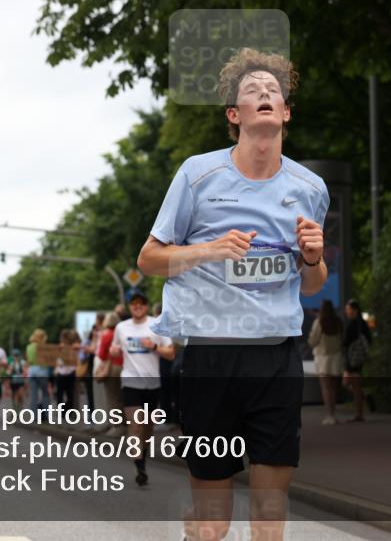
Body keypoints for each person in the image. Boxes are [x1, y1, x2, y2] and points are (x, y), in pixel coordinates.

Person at [137, 48, 329, 541]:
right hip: (211, 359)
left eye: (273, 91)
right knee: (213, 525)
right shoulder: (199, 176)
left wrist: (312, 258)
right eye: (252, 91)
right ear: (234, 114)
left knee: (268, 517)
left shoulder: (310, 189)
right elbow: (150, 258)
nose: (265, 94)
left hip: (275, 358)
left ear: (285, 111)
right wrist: (208, 250)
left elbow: (311, 285)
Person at [109, 292, 174, 486]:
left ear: (146, 306)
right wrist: (113, 351)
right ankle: (139, 467)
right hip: (130, 381)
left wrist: (153, 346)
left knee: (147, 428)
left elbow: (170, 354)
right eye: (134, 304)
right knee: (135, 425)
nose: (138, 307)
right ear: (129, 306)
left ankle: (142, 457)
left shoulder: (157, 325)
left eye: (142, 304)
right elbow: (114, 348)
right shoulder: (121, 327)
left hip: (152, 383)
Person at [309, 300, 343, 425]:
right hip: (336, 357)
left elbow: (313, 340)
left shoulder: (319, 322)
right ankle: (334, 414)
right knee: (333, 388)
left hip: (323, 357)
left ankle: (329, 415)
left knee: (325, 387)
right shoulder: (338, 321)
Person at [341, 299, 372, 422]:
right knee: (354, 384)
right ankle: (364, 402)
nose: (347, 312)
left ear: (355, 310)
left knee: (353, 385)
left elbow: (346, 343)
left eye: (348, 310)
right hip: (359, 357)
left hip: (352, 358)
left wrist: (347, 366)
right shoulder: (362, 323)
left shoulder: (353, 324)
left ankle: (360, 412)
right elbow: (368, 339)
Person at [95, 310, 124, 436]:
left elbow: (101, 355)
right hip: (126, 367)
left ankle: (118, 426)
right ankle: (128, 424)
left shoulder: (106, 335)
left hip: (112, 368)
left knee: (113, 397)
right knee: (123, 396)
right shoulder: (123, 333)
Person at [26, 329, 51, 415]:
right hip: (42, 371)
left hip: (32, 371)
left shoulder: (29, 347)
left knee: (34, 395)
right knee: (45, 394)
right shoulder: (43, 347)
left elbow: (29, 360)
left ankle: (34, 416)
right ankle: (46, 414)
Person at [54, 329, 78, 413]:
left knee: (62, 394)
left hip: (63, 372)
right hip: (68, 372)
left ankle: (63, 411)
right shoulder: (71, 346)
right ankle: (67, 410)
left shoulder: (64, 347)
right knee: (68, 393)